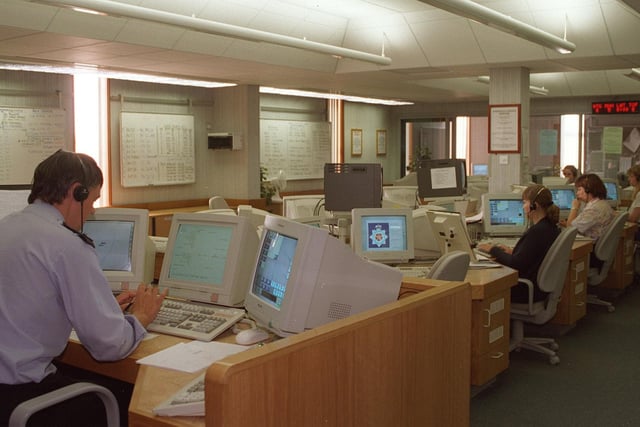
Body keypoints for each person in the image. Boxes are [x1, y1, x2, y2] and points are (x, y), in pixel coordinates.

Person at [0, 150, 167, 426]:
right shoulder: (68, 245)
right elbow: (109, 347)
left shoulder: (7, 226)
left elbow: (26, 306)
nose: (91, 210)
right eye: (92, 200)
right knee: (125, 396)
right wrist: (140, 317)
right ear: (76, 192)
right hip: (23, 398)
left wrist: (102, 310)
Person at [477, 185, 561, 303]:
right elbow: (532, 256)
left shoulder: (537, 232)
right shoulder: (550, 227)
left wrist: (492, 249)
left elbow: (515, 264)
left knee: (488, 287)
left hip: (525, 290)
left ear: (534, 206)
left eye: (525, 202)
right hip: (539, 289)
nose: (523, 206)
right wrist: (513, 252)